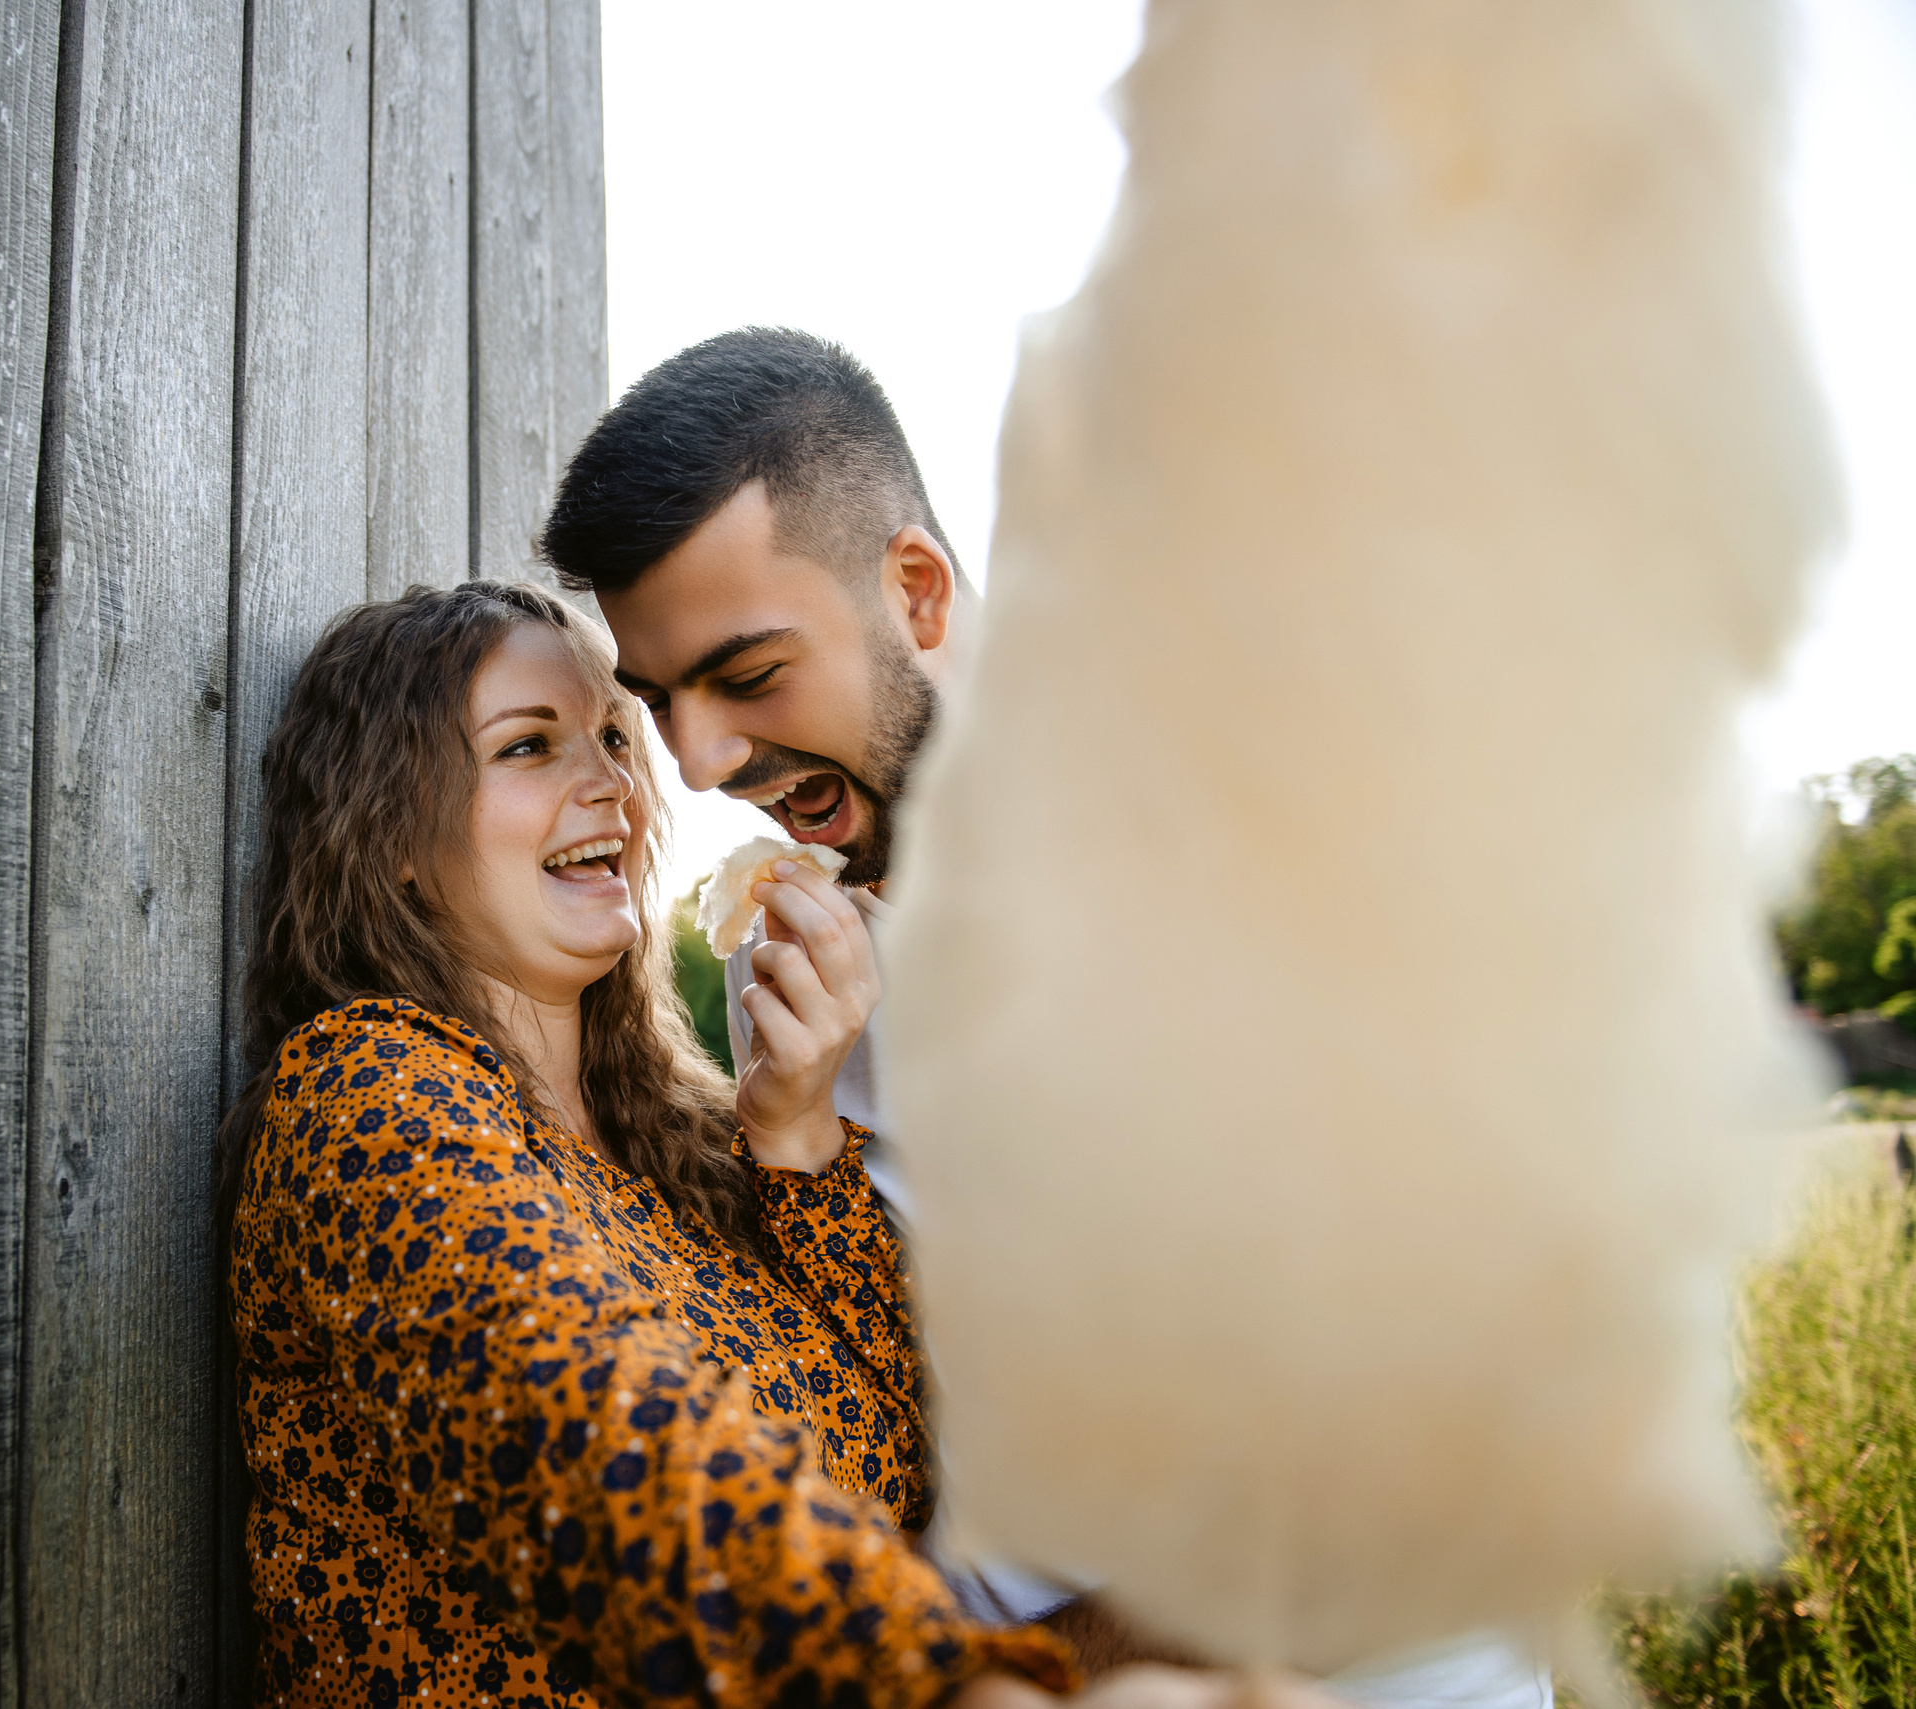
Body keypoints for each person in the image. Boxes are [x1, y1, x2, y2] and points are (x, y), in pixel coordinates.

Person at [537, 328, 1554, 1709]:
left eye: (750, 675)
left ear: (918, 592)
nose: (703, 763)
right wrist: (789, 1137)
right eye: (659, 703)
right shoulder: (829, 962)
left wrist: (993, 1682)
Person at [220, 581, 1068, 1709]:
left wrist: (795, 1128)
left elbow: (897, 1462)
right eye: (530, 745)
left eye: (616, 738)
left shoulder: (679, 1144)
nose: (613, 784)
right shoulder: (364, 1091)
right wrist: (943, 1685)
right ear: (394, 839)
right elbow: (596, 1437)